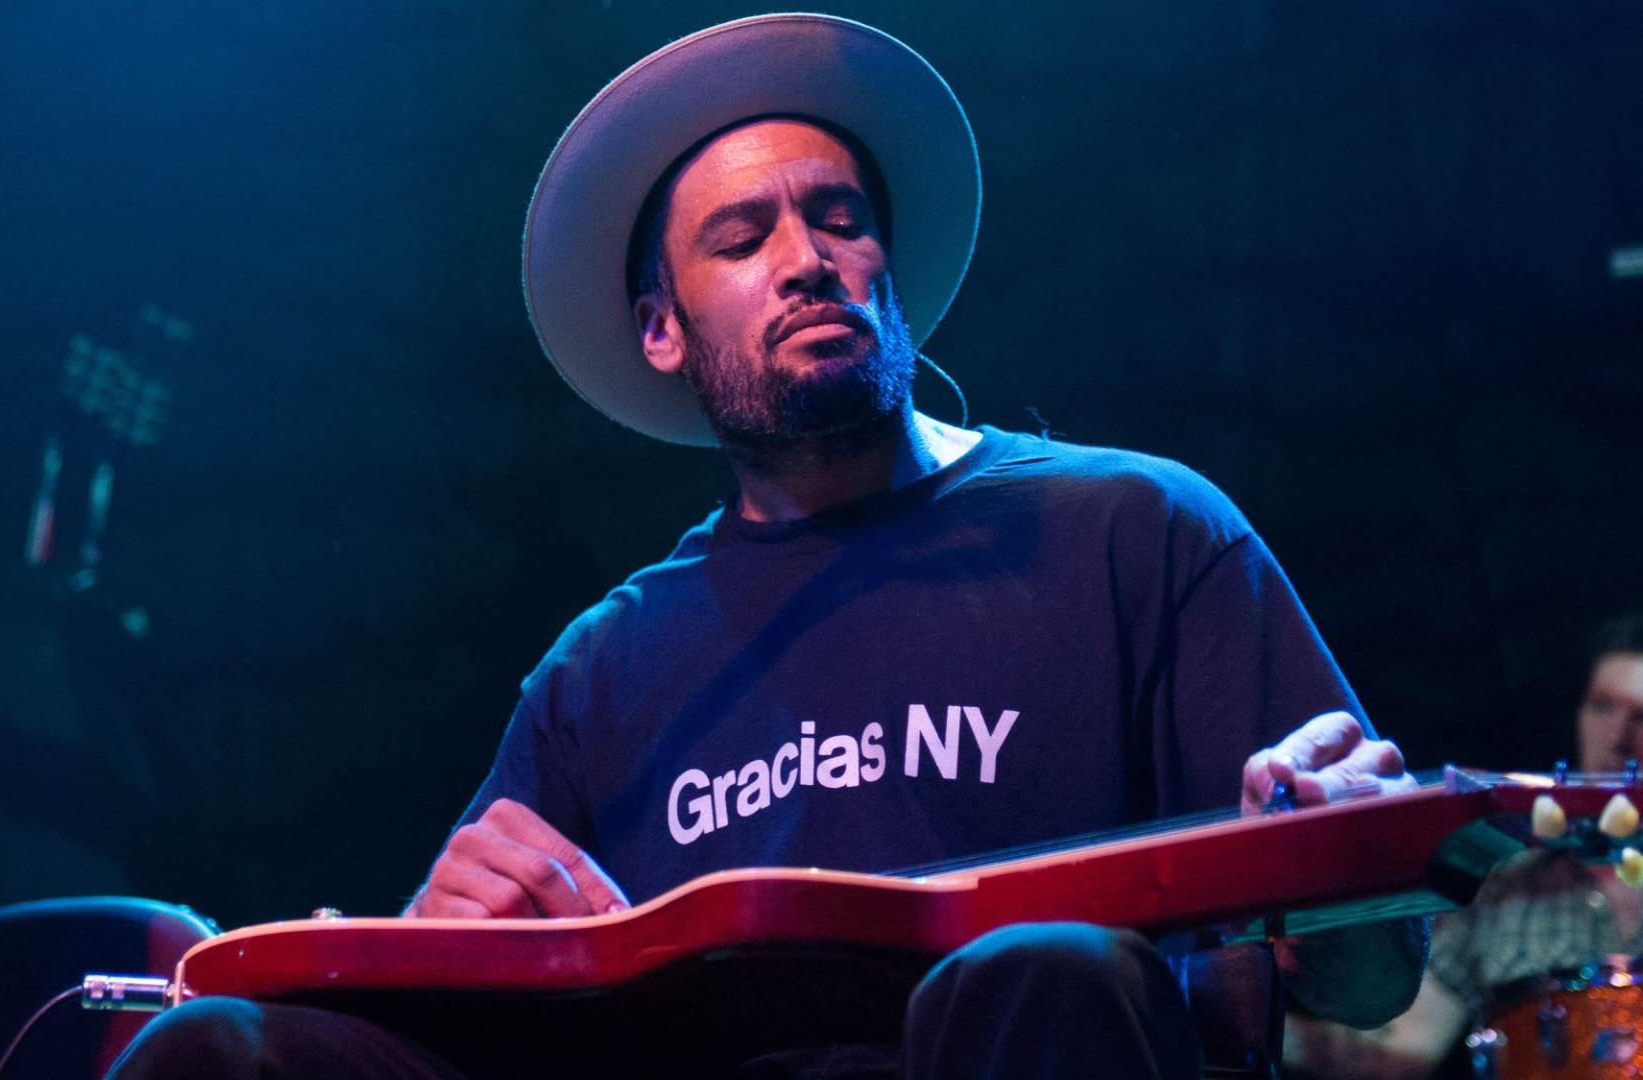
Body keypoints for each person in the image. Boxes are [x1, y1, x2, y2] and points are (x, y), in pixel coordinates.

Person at [110, 14, 1423, 1078]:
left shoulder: (1138, 529)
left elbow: (1377, 979)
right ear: (661, 329)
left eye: (839, 219)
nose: (807, 259)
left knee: (1042, 964)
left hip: (1026, 1041)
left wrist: (1344, 871)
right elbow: (460, 1012)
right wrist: (432, 943)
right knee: (214, 1049)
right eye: (743, 239)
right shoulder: (603, 670)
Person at [1284, 611, 1643, 1079]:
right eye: (1602, 706)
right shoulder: (1503, 883)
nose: (1617, 737)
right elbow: (1406, 1042)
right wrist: (1249, 1019)